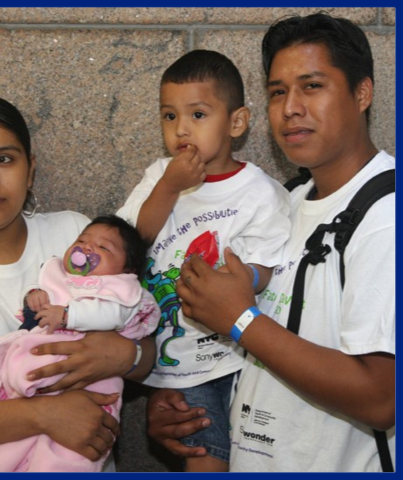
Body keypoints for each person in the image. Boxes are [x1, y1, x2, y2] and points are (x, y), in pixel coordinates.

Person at [148, 12, 395, 472]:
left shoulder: (386, 216)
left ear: (362, 93)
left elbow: (382, 398)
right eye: (278, 91)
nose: (290, 108)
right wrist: (185, 398)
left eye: (312, 86)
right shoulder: (288, 200)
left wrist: (239, 320)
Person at [0, 93, 155, 473]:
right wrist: (44, 415)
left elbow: (143, 349)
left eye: (5, 159)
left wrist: (125, 355)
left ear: (30, 170)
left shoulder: (75, 235)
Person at [117, 49, 291, 472]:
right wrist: (169, 187)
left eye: (197, 115)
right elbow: (132, 243)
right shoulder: (159, 176)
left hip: (240, 355)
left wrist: (241, 279)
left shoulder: (259, 192)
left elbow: (268, 263)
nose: (181, 130)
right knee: (203, 452)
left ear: (236, 122)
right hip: (179, 360)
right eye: (169, 116)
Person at [0, 214, 160, 472]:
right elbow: (44, 294)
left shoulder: (118, 291)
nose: (88, 247)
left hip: (93, 378)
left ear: (128, 270)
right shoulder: (59, 273)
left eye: (104, 247)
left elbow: (111, 317)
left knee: (75, 445)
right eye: (82, 240)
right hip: (41, 370)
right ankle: (2, 461)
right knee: (15, 435)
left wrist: (69, 315)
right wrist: (35, 295)